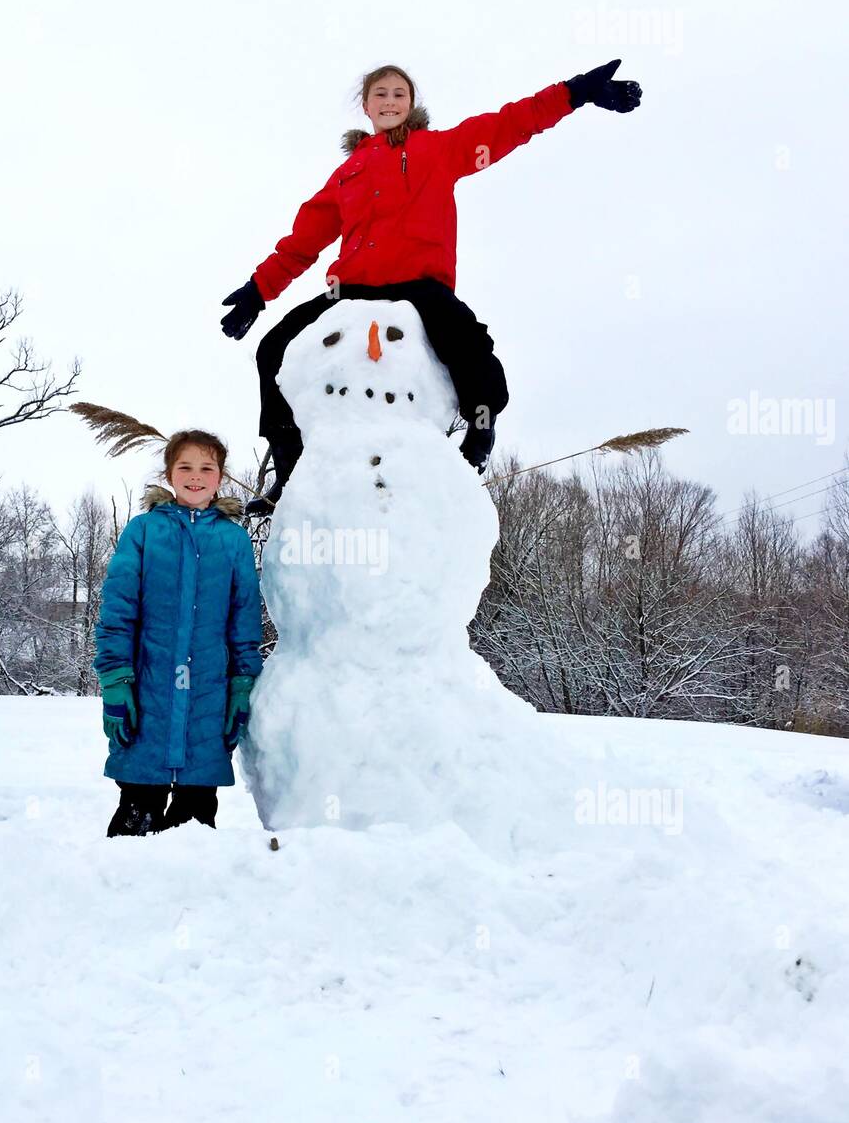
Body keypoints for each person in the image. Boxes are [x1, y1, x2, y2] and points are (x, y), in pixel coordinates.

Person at [221, 58, 641, 513]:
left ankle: (480, 432)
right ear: (365, 106)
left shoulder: (438, 149)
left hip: (418, 283)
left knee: (465, 339)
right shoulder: (346, 175)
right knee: (273, 350)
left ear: (412, 104)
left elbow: (511, 124)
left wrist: (576, 92)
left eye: (399, 93)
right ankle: (290, 472)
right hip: (353, 287)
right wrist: (257, 291)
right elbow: (303, 242)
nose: (389, 101)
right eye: (380, 94)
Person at [93, 429, 263, 836]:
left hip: (208, 696)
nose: (195, 476)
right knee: (136, 810)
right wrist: (115, 682)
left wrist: (242, 685)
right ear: (169, 473)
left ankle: (193, 898)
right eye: (184, 466)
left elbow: (244, 620)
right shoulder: (144, 531)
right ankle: (121, 889)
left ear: (220, 476)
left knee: (196, 823)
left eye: (207, 467)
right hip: (148, 694)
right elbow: (117, 613)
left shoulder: (233, 540)